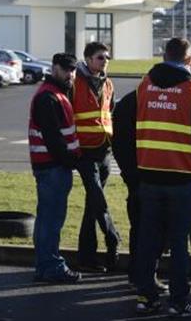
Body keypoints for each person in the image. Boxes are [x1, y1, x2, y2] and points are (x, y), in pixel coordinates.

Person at [133, 37, 191, 317]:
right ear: (189, 59)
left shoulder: (145, 84)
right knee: (179, 242)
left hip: (149, 174)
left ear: (164, 55)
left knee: (148, 238)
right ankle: (179, 301)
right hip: (182, 177)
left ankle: (146, 296)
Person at [29, 53, 83, 284]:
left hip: (51, 166)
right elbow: (53, 138)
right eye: (65, 69)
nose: (70, 74)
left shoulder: (55, 93)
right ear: (54, 69)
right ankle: (51, 266)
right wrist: (71, 161)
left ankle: (44, 264)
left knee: (46, 219)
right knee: (51, 220)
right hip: (53, 166)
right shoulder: (49, 97)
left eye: (72, 70)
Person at [71, 42, 121, 273]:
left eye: (107, 57)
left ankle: (86, 258)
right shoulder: (75, 83)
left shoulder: (108, 83)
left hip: (104, 150)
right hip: (85, 151)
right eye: (100, 57)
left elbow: (109, 113)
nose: (105, 61)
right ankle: (113, 239)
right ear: (88, 59)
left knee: (93, 204)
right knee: (97, 199)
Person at [111, 90, 167, 292]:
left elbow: (118, 143)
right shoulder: (158, 101)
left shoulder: (129, 101)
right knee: (154, 230)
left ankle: (137, 275)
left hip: (137, 177)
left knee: (139, 227)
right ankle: (146, 277)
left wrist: (130, 175)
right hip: (153, 177)